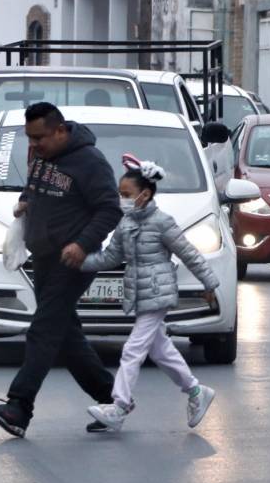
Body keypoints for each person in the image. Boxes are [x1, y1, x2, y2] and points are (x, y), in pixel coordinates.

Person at [0, 103, 122, 438]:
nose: (33, 145)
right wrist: (25, 199)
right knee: (65, 337)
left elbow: (109, 209)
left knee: (43, 331)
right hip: (43, 256)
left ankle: (18, 408)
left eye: (39, 138)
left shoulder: (90, 162)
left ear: (60, 130)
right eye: (29, 138)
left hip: (72, 260)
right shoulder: (40, 154)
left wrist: (83, 244)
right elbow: (37, 187)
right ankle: (114, 399)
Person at [83, 155, 219, 432]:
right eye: (120, 194)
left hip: (158, 292)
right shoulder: (126, 223)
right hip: (141, 293)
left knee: (133, 349)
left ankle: (119, 406)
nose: (122, 199)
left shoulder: (162, 222)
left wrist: (209, 284)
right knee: (161, 350)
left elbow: (189, 253)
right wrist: (79, 261)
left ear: (144, 195)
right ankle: (195, 392)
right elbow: (110, 257)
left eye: (126, 194)